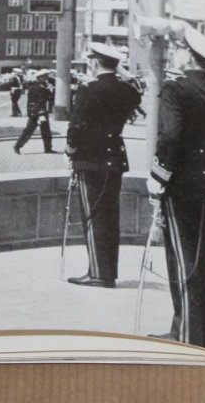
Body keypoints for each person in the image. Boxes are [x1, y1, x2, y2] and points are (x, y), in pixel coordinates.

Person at [147, 24, 205, 348]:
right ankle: (198, 335)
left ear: (185, 54)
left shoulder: (175, 89)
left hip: (182, 185)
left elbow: (170, 138)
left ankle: (186, 337)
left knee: (183, 261)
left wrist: (157, 178)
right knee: (201, 263)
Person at [64, 44, 141, 288]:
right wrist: (122, 71)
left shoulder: (89, 88)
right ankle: (107, 272)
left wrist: (70, 151)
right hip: (114, 158)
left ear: (95, 63)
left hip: (90, 158)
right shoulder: (127, 90)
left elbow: (76, 127)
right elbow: (137, 89)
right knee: (110, 216)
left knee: (94, 215)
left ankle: (99, 274)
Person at [13, 71, 55, 154]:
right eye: (44, 77)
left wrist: (50, 91)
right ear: (39, 78)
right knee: (29, 130)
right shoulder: (34, 88)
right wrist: (35, 113)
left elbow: (49, 99)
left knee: (46, 131)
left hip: (42, 112)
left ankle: (48, 148)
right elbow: (32, 102)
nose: (46, 79)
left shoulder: (44, 87)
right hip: (36, 112)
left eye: (46, 76)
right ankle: (17, 146)